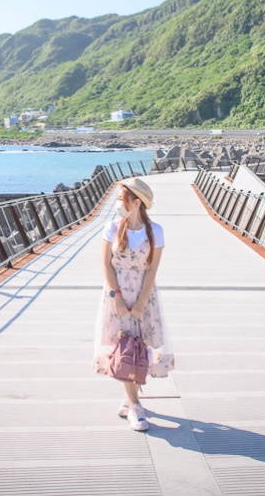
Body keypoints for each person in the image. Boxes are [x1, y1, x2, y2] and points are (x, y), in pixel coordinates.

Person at [93, 177, 174, 432]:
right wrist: (116, 296)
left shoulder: (156, 231)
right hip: (117, 294)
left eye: (121, 198)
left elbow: (152, 269)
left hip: (144, 294)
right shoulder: (112, 227)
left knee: (140, 344)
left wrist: (140, 303)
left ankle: (129, 399)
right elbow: (106, 264)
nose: (118, 202)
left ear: (136, 202)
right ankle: (136, 405)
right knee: (123, 344)